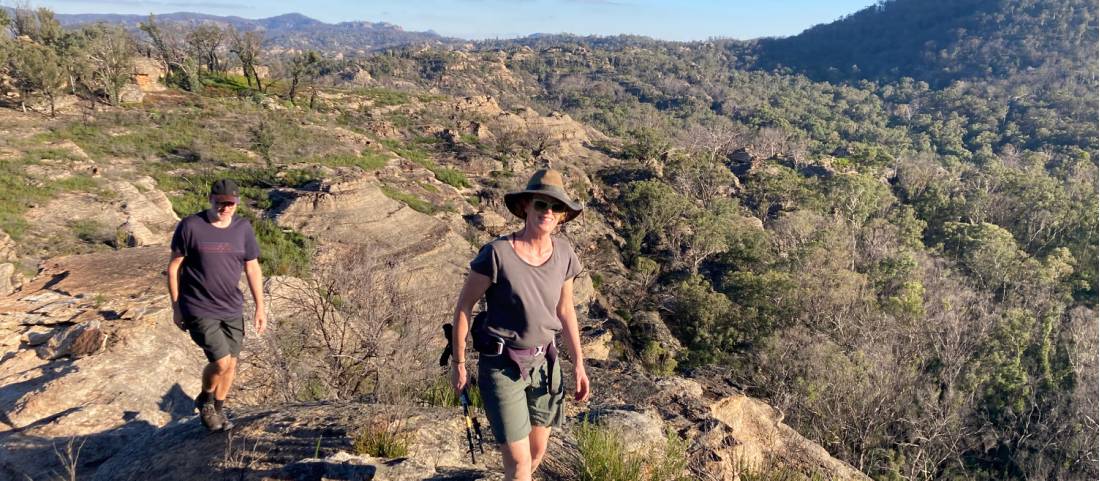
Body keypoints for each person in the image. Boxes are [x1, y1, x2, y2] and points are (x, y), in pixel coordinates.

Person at [450, 169, 591, 481]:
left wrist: (579, 364)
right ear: (526, 205)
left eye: (556, 208)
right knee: (518, 464)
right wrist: (459, 364)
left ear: (563, 216)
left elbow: (566, 309)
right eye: (542, 204)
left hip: (545, 365)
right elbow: (464, 308)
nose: (548, 212)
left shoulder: (565, 254)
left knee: (537, 452)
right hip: (502, 366)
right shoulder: (496, 254)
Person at [167, 179, 266, 432]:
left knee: (232, 363)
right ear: (210, 199)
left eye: (230, 204)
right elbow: (174, 267)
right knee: (220, 362)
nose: (225, 208)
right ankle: (206, 399)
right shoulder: (190, 226)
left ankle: (219, 409)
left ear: (237, 203)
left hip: (231, 307)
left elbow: (252, 267)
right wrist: (176, 307)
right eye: (221, 203)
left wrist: (260, 306)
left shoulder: (243, 228)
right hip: (198, 306)